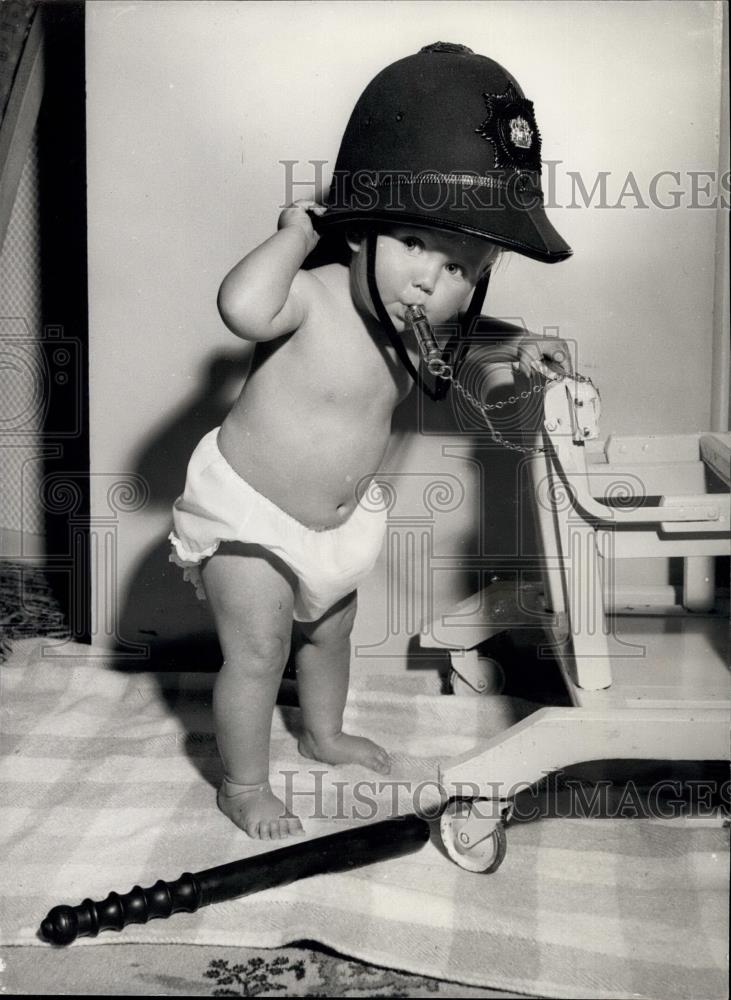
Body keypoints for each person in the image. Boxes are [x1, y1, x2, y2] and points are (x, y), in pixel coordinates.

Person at [168, 42, 572, 840]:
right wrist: (293, 232)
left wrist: (517, 340)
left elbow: (466, 338)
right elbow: (243, 310)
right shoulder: (310, 300)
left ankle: (321, 734)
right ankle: (243, 784)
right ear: (357, 233)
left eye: (460, 266)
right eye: (414, 245)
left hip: (335, 524)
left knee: (332, 632)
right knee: (258, 650)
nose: (430, 281)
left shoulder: (421, 322)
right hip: (250, 513)